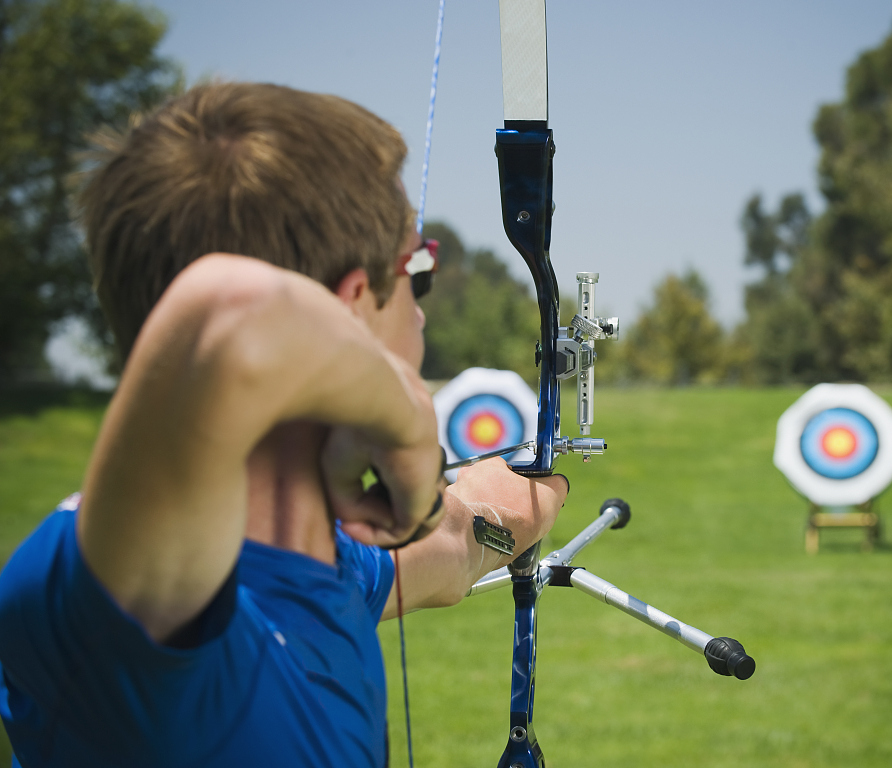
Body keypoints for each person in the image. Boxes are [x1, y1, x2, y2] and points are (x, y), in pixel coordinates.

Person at [0, 82, 568, 767]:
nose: (422, 311)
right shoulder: (110, 600)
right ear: (354, 305)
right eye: (417, 269)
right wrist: (407, 419)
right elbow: (227, 311)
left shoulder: (328, 563)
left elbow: (460, 536)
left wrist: (532, 486)